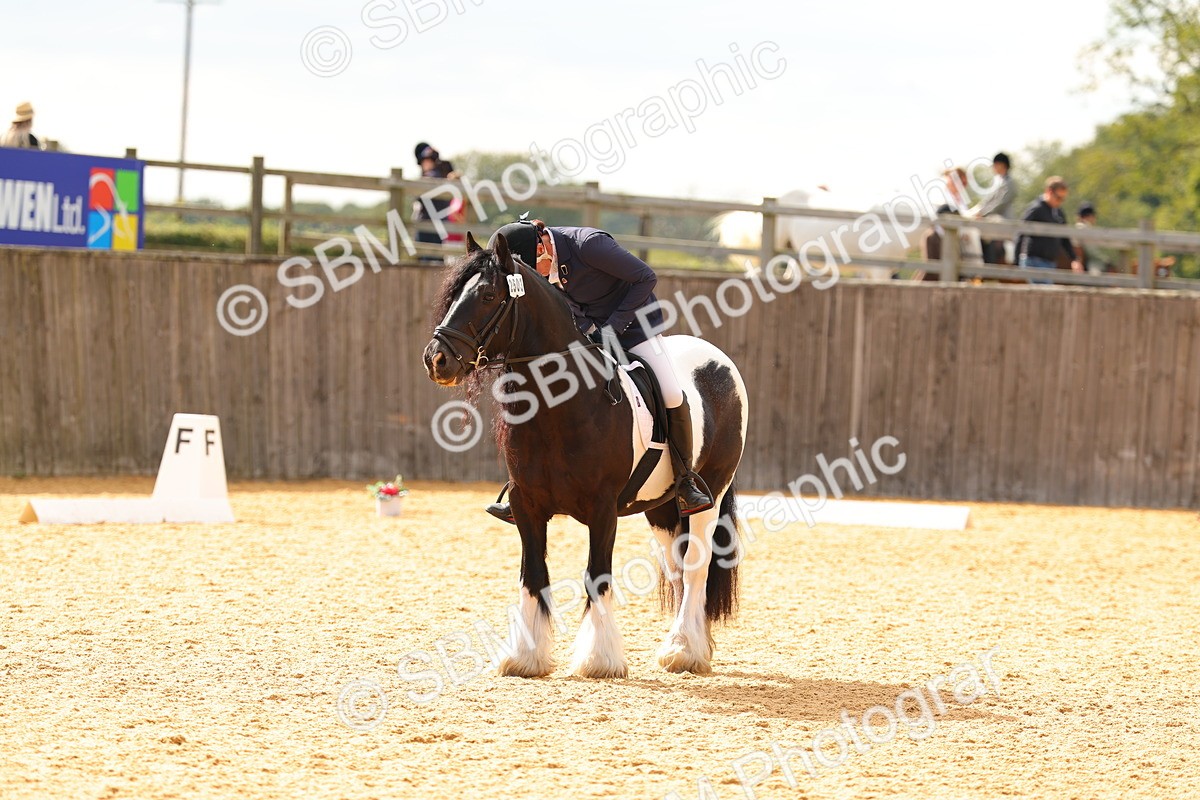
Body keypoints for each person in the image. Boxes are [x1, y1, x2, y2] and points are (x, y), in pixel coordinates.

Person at [483, 217, 713, 523]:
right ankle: (524, 487)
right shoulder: (546, 264)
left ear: (541, 248)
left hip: (637, 331)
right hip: (590, 337)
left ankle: (685, 481)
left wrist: (613, 328)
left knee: (671, 393)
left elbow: (645, 277)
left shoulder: (589, 245)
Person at [1015, 177, 1082, 283]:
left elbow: (1065, 238)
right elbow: (1021, 232)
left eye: (1062, 199)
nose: (1060, 202)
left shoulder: (1059, 213)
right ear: (1049, 191)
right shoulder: (1036, 208)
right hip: (1034, 261)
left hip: (1050, 263)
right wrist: (1016, 261)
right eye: (1058, 198)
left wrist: (1074, 259)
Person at [412, 142, 458, 261]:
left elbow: (418, 196)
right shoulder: (444, 172)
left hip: (428, 223)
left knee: (426, 258)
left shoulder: (431, 176)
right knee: (437, 258)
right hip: (440, 223)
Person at [970, 152, 1016, 263]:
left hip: (1002, 220)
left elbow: (1001, 203)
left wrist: (983, 213)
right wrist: (975, 211)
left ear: (1001, 165)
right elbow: (987, 200)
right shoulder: (998, 182)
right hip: (992, 217)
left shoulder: (1010, 182)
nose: (993, 168)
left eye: (995, 165)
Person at [1072, 202, 1111, 274]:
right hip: (1094, 261)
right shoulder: (1083, 227)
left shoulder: (1079, 227)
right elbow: (1092, 252)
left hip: (1089, 259)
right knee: (1095, 273)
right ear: (1090, 216)